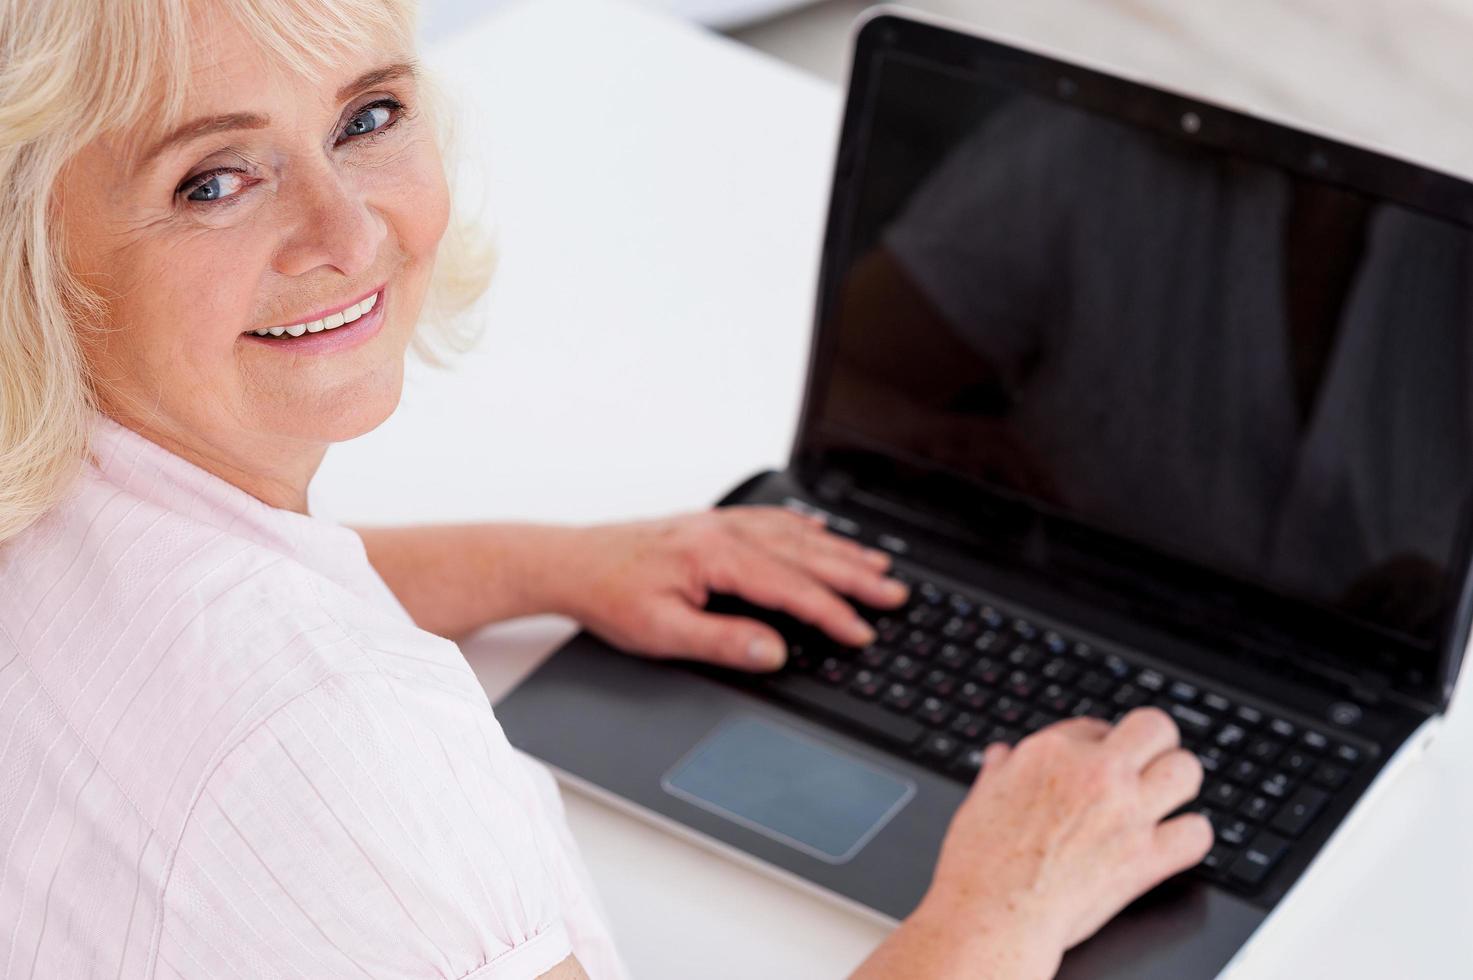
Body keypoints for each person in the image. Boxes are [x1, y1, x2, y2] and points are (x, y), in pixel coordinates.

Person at [0, 0, 1211, 976]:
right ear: (28, 237)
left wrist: (559, 562)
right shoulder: (352, 757)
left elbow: (170, 641)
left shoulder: (47, 498)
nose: (349, 230)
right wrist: (996, 914)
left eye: (367, 116)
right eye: (212, 180)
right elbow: (279, 725)